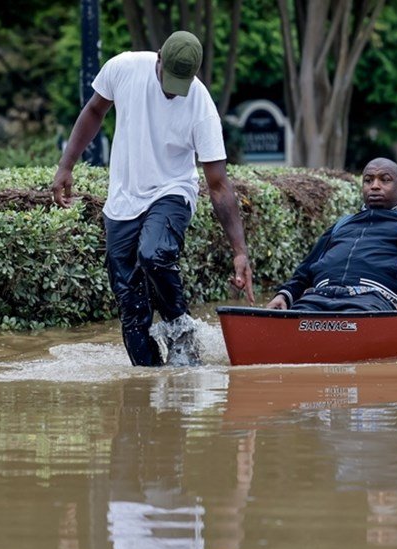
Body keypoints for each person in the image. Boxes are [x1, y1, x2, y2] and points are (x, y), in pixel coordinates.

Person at [51, 30, 254, 367]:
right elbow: (94, 110)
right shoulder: (123, 68)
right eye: (168, 80)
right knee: (130, 307)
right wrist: (66, 165)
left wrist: (240, 252)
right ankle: (148, 381)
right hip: (122, 201)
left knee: (154, 254)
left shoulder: (201, 106)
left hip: (172, 191)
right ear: (158, 57)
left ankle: (182, 335)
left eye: (180, 84)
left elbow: (218, 184)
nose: (172, 92)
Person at [265, 158, 397, 322]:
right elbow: (303, 274)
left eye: (384, 180)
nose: (375, 186)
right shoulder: (341, 225)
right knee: (293, 320)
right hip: (318, 297)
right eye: (368, 180)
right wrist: (283, 296)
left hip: (375, 301)